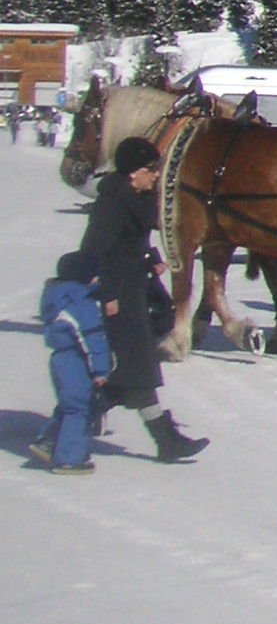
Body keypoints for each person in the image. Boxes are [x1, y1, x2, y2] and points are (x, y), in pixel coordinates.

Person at [79, 137, 208, 462]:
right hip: (120, 293)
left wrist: (151, 258)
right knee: (137, 369)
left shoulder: (134, 197)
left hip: (137, 286)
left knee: (137, 365)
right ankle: (166, 441)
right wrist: (106, 295)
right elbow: (94, 253)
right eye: (150, 169)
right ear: (132, 172)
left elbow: (131, 240)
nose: (155, 175)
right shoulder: (112, 202)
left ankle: (83, 411)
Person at [32, 250, 111, 473]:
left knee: (69, 405)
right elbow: (92, 340)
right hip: (75, 361)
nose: (98, 278)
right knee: (79, 409)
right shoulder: (79, 305)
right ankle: (68, 459)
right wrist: (101, 370)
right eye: (95, 275)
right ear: (85, 276)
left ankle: (48, 441)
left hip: (62, 359)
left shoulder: (60, 298)